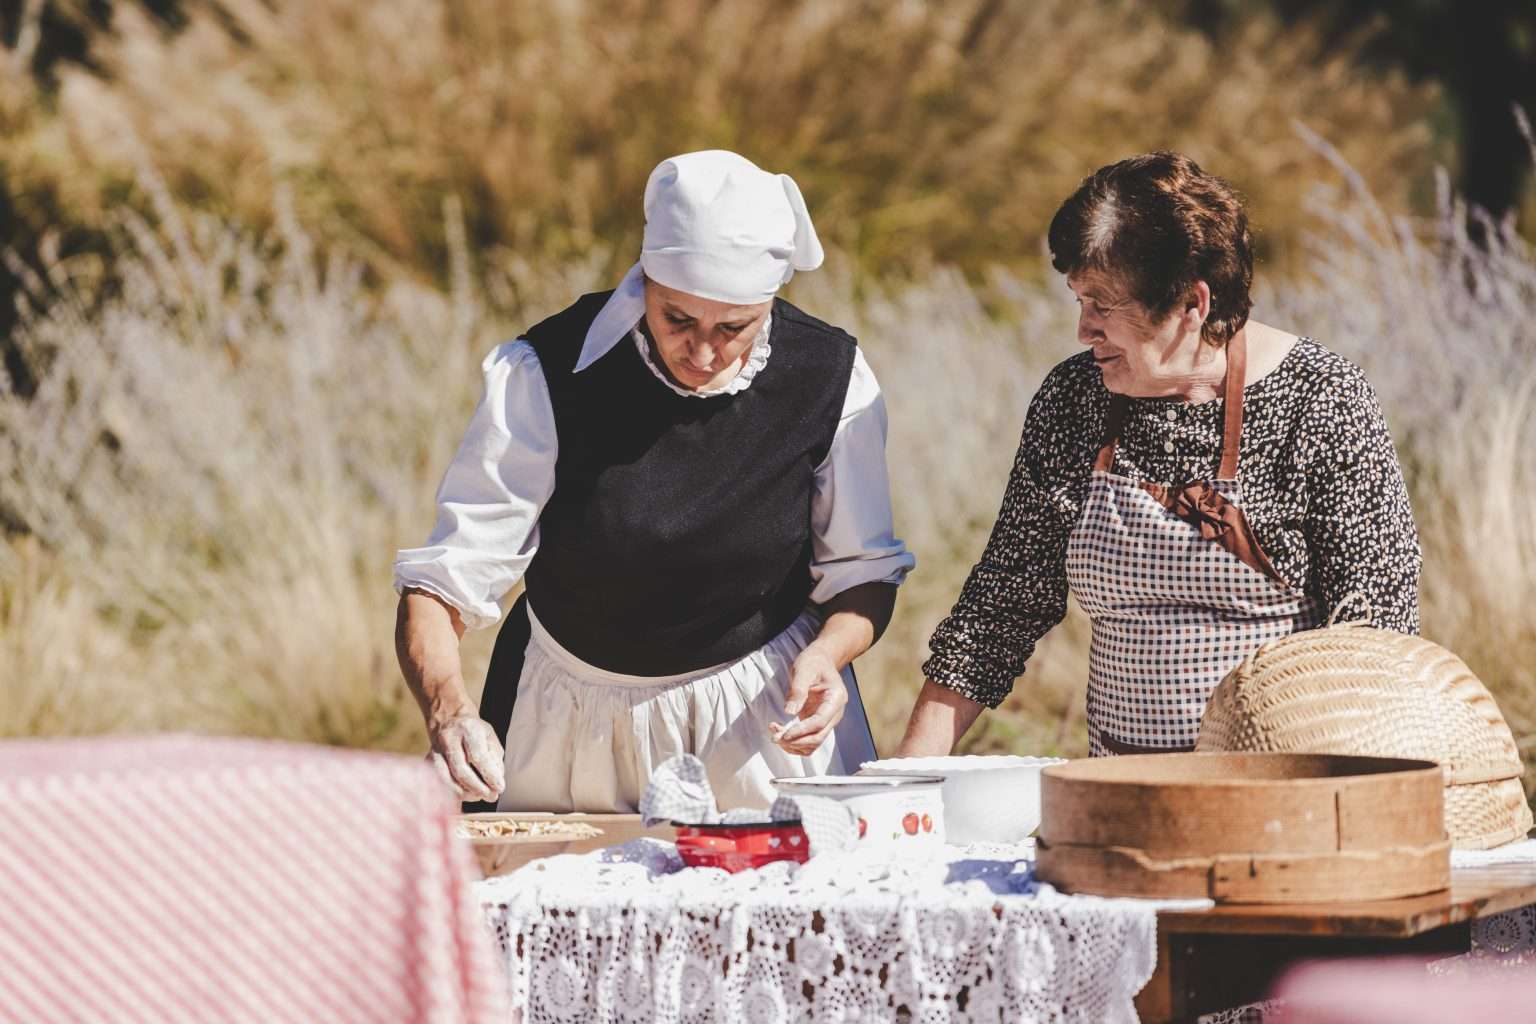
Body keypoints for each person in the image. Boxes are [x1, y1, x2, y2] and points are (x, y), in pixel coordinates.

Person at [394, 150, 913, 811]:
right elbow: (443, 584)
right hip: (565, 717)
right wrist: (449, 713)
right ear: (644, 282)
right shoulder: (545, 372)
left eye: (734, 328)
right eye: (677, 319)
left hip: (760, 720)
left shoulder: (829, 376)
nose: (703, 351)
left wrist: (828, 655)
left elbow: (862, 574)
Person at [895, 151, 1421, 758]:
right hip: (1123, 786)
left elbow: (1377, 626)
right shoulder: (1075, 398)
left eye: (1103, 304)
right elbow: (1004, 603)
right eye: (1078, 300)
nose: (1084, 330)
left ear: (1193, 304)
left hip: (1278, 783)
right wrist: (907, 777)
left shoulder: (1320, 397)